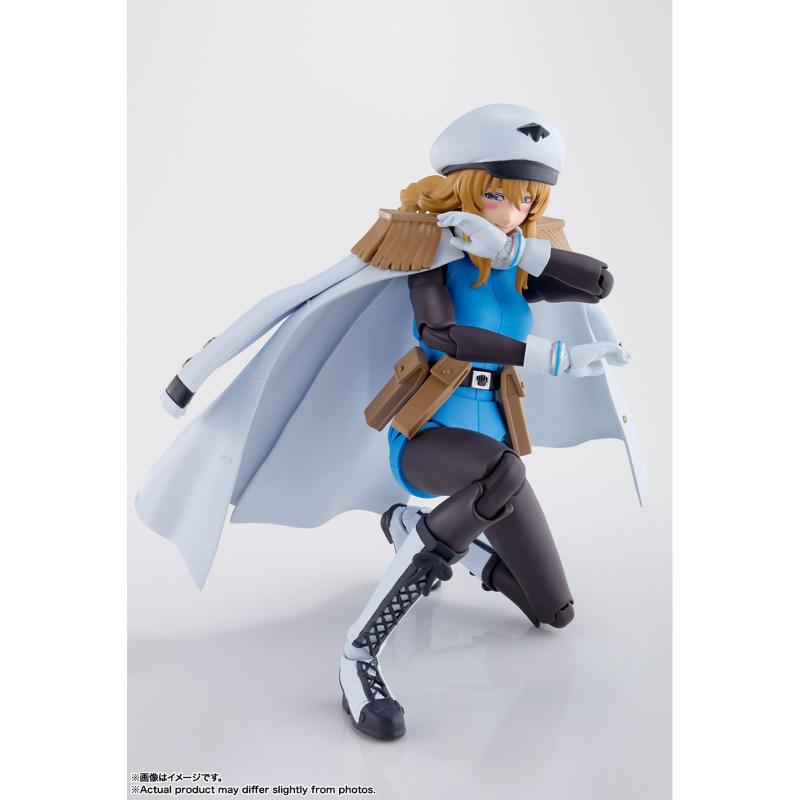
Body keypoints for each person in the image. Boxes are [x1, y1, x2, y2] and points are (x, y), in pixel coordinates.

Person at [136, 104, 644, 742]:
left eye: (526, 201)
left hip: (494, 449)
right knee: (501, 473)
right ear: (462, 191)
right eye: (496, 196)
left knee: (555, 612)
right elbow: (441, 334)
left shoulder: (517, 267)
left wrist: (513, 249)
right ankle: (359, 652)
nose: (511, 211)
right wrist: (192, 376)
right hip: (428, 437)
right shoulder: (430, 255)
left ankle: (419, 532)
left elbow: (599, 283)